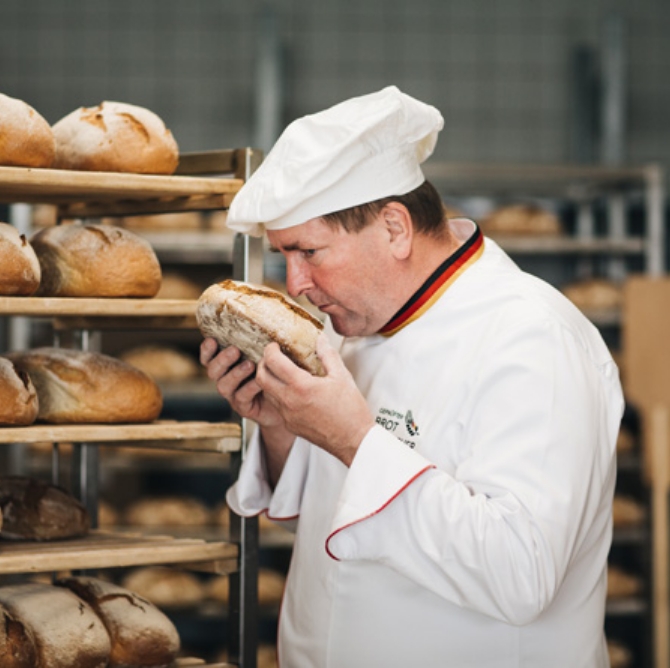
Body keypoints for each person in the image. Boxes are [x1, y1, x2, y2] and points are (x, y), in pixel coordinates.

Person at [200, 86, 624, 667]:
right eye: (283, 257)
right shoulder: (348, 328)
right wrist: (282, 428)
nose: (294, 283)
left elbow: (521, 573)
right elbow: (327, 508)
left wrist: (354, 437)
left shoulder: (531, 336)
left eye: (309, 252)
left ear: (395, 227)